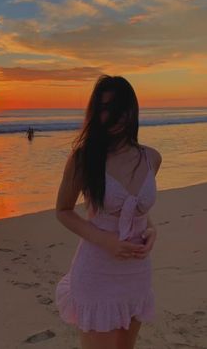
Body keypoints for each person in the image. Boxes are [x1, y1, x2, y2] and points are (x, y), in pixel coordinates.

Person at [55, 75, 162, 349]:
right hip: (97, 270)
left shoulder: (151, 158)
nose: (114, 117)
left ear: (133, 110)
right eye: (105, 108)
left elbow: (136, 210)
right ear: (96, 112)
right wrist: (107, 242)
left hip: (137, 271)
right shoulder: (84, 158)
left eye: (121, 108)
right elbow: (64, 211)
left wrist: (150, 229)